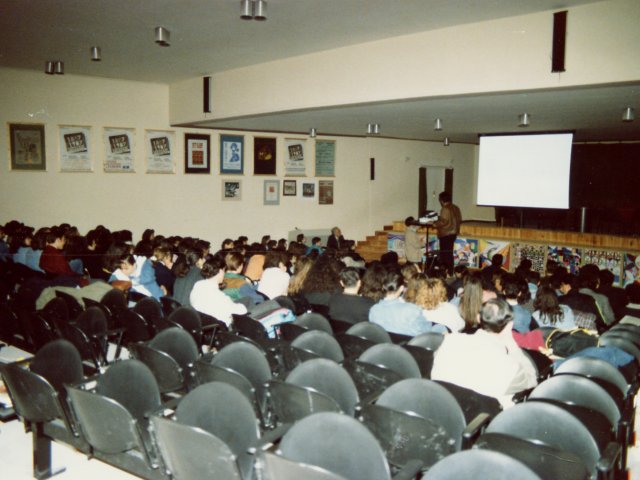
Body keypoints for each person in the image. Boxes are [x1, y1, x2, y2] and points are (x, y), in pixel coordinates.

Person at [431, 298, 538, 407]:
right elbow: (531, 380)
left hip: (441, 409)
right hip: (486, 418)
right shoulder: (507, 365)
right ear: (509, 325)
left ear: (478, 318)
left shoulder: (449, 342)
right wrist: (512, 345)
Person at [369, 269, 445, 336]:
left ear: (383, 286)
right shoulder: (412, 309)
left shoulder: (374, 310)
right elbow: (426, 331)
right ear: (402, 288)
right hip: (411, 348)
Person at [190, 256, 247, 326]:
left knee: (247, 300)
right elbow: (242, 311)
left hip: (205, 322)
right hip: (226, 327)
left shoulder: (198, 285)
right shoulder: (219, 296)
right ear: (220, 271)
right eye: (224, 270)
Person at [429, 192, 461, 276]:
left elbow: (444, 221)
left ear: (441, 200)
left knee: (444, 255)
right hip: (453, 234)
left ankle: (444, 273)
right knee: (449, 255)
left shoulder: (445, 209)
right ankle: (450, 272)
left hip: (446, 234)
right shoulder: (455, 207)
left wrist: (434, 224)